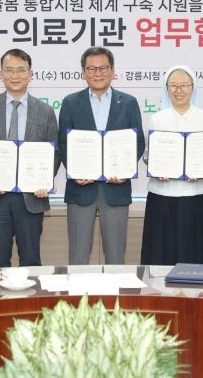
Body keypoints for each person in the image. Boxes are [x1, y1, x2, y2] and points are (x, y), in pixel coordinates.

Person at [0, 49, 60, 267]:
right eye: (9, 70)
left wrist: (44, 181)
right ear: (1, 74)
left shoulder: (46, 111)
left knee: (31, 261)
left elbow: (54, 151)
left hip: (31, 198)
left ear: (30, 74)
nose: (15, 75)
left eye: (21, 70)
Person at [58, 46, 145, 265]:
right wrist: (75, 171)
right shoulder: (70, 102)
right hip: (80, 188)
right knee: (78, 257)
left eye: (103, 68)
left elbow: (138, 141)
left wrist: (125, 170)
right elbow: (63, 142)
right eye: (92, 68)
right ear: (83, 72)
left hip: (115, 188)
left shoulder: (128, 102)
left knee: (116, 256)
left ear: (113, 70)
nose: (98, 73)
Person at [140, 65, 203, 265]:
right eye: (173, 85)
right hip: (162, 194)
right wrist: (155, 167)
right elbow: (147, 156)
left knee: (194, 249)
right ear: (166, 88)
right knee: (160, 250)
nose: (179, 90)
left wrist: (201, 169)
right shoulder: (156, 119)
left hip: (196, 194)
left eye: (184, 85)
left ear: (193, 87)